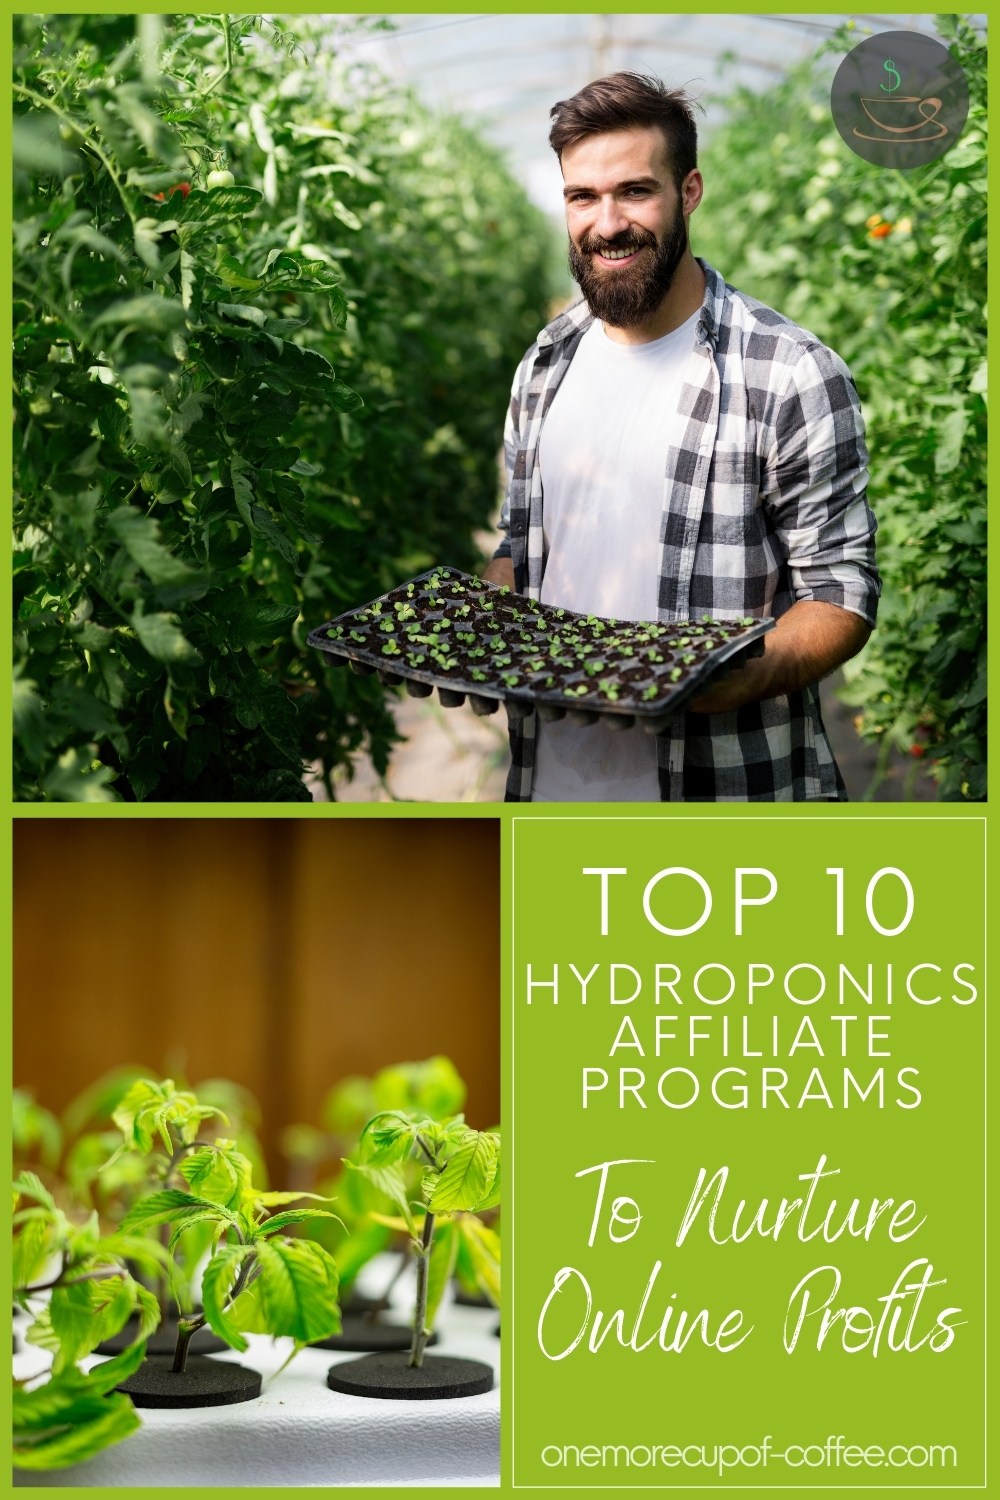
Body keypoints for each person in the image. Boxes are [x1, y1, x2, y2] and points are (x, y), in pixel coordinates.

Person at [483, 72, 880, 802]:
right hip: (552, 790)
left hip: (723, 799)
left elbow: (840, 591)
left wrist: (739, 676)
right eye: (583, 197)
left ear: (688, 192)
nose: (607, 224)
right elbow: (520, 547)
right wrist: (484, 635)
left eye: (635, 191)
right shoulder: (543, 365)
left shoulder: (788, 374)